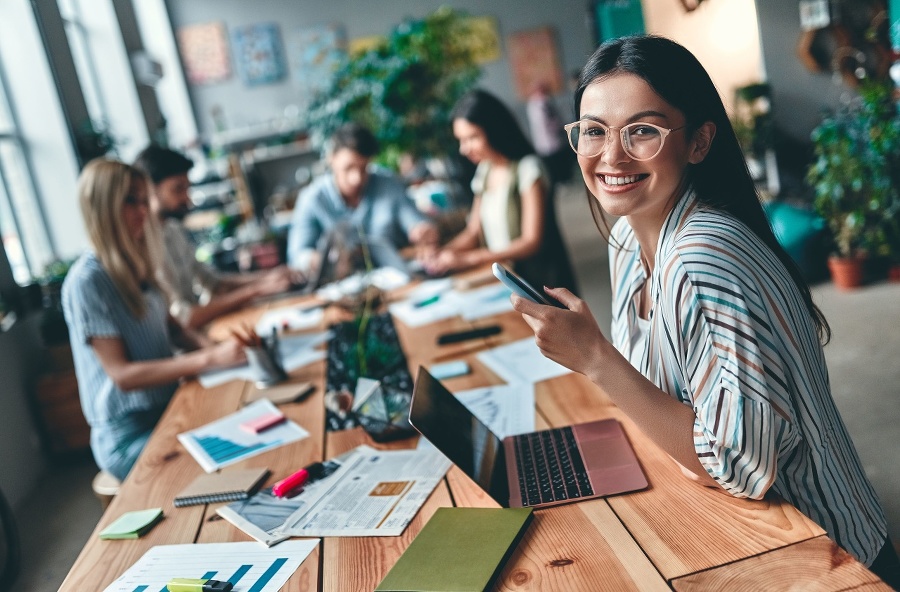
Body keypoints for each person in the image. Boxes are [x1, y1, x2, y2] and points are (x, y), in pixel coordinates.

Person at [511, 35, 899, 584]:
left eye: (642, 130)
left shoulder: (703, 256)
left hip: (824, 555)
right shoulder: (626, 240)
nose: (611, 156)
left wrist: (596, 359)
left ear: (698, 142)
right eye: (594, 130)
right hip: (737, 527)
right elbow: (666, 404)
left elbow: (740, 468)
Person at [62, 159, 246, 481]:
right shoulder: (86, 281)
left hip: (166, 410)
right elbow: (123, 375)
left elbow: (174, 331)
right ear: (103, 206)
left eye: (143, 200)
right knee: (224, 462)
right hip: (128, 436)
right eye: (130, 201)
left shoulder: (139, 261)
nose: (143, 211)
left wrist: (217, 348)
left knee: (241, 429)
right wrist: (209, 358)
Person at [422, 89, 578, 294]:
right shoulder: (485, 170)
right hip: (506, 281)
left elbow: (532, 241)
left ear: (494, 129)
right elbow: (473, 230)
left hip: (540, 284)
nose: (463, 149)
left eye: (472, 138)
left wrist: (470, 258)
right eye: (460, 140)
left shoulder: (529, 169)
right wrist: (443, 253)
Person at [133, 145, 298, 330]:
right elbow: (184, 318)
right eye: (177, 189)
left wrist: (269, 278)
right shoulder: (143, 246)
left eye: (187, 188)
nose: (188, 199)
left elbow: (212, 282)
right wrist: (256, 289)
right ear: (149, 190)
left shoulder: (173, 229)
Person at [286, 122, 438, 274]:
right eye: (348, 168)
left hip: (395, 278)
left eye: (363, 168)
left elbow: (414, 221)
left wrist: (422, 231)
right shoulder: (311, 199)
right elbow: (297, 254)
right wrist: (316, 261)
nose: (356, 179)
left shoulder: (387, 183)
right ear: (331, 158)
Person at [525, 83, 575, 185]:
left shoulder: (532, 104)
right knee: (559, 167)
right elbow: (550, 121)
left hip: (544, 143)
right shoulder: (543, 102)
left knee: (554, 168)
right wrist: (561, 126)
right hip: (552, 141)